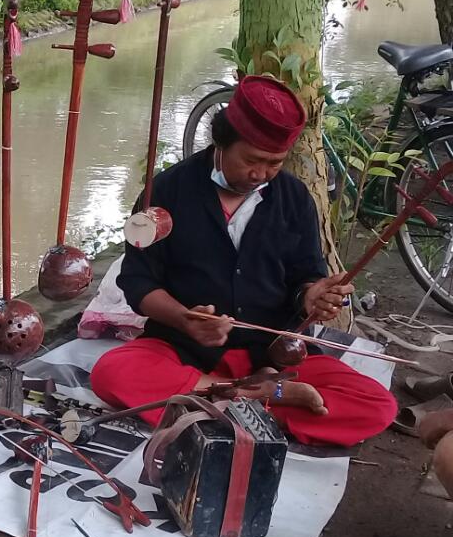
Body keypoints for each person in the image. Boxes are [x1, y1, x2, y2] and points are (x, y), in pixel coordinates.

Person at [91, 75, 397, 446]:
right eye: (251, 160)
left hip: (272, 358)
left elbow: (305, 277)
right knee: (111, 373)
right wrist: (185, 320)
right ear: (221, 142)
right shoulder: (168, 190)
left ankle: (214, 402)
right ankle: (256, 399)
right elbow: (139, 282)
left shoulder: (294, 198)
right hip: (185, 353)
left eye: (274, 164)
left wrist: (312, 296)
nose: (260, 174)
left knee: (378, 405)